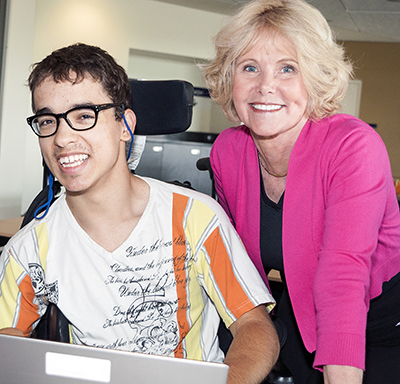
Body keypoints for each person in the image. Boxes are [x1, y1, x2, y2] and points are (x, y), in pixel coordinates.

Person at [0, 43, 280, 384]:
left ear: (124, 125)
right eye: (48, 120)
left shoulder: (194, 218)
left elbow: (255, 328)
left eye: (84, 116)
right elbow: (8, 340)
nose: (62, 138)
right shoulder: (29, 248)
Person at [201, 0, 400, 383]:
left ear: (314, 77)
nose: (265, 86)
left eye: (287, 68)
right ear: (230, 78)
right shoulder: (228, 151)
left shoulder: (354, 146)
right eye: (249, 67)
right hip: (302, 316)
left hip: (384, 325)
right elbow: (237, 265)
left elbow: (342, 276)